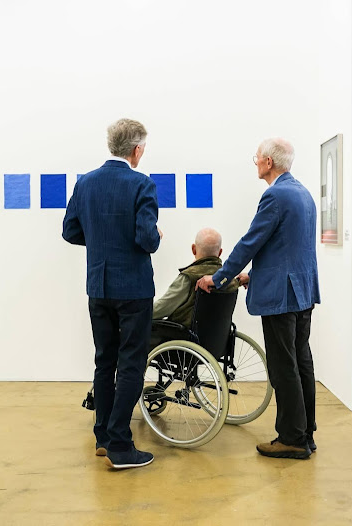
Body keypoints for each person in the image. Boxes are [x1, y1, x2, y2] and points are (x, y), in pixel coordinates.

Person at [196, 138, 320, 460]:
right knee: (302, 362)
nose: (256, 163)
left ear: (267, 162)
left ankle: (291, 438)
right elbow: (288, 249)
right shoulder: (304, 194)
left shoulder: (275, 196)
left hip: (282, 296)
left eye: (257, 159)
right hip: (302, 292)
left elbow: (251, 242)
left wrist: (219, 276)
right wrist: (256, 275)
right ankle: (306, 433)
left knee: (283, 367)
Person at [62, 118, 161, 470]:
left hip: (98, 287)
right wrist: (156, 235)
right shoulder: (142, 185)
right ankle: (120, 444)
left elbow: (70, 231)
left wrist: (103, 242)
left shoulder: (85, 183)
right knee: (132, 363)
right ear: (137, 150)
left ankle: (103, 435)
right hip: (133, 288)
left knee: (105, 361)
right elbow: (146, 239)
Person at [152, 227, 245, 326]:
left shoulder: (189, 277)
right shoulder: (228, 280)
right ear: (220, 252)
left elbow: (162, 309)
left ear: (194, 249)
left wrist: (138, 313)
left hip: (180, 336)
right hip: (215, 337)